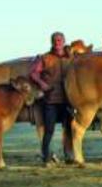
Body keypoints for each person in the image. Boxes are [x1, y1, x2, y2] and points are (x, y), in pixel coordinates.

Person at [30, 32, 75, 167]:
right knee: (49, 130)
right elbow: (33, 73)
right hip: (51, 99)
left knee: (68, 129)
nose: (57, 42)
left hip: (68, 99)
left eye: (60, 40)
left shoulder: (71, 58)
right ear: (51, 42)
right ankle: (46, 157)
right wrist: (42, 84)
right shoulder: (45, 58)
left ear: (64, 41)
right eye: (55, 40)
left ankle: (69, 155)